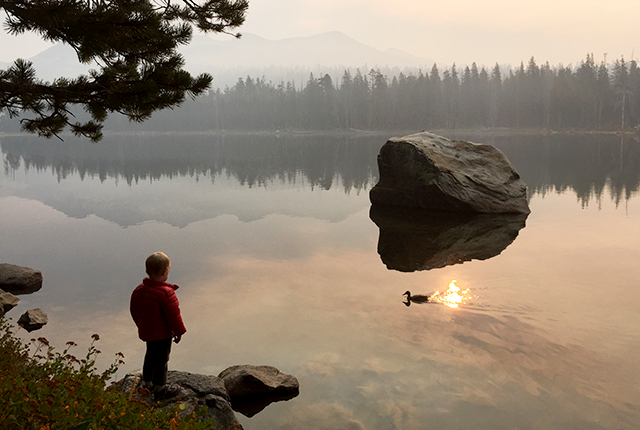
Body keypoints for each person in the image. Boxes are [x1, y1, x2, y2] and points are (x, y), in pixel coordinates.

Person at [130, 252, 187, 399]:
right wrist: (179, 331)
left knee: (150, 356)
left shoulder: (139, 290)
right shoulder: (166, 293)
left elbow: (134, 309)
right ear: (164, 272)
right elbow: (173, 315)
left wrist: (141, 325)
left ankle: (147, 383)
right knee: (162, 360)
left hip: (148, 332)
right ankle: (160, 389)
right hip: (162, 334)